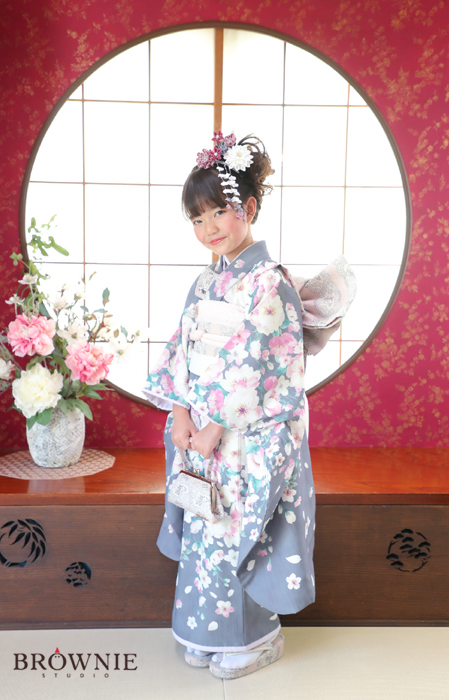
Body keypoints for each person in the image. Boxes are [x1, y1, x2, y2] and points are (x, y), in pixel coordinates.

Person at [143, 132, 355, 680]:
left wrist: (214, 424)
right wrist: (181, 414)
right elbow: (182, 349)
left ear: (250, 208)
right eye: (197, 218)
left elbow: (264, 363)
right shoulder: (204, 282)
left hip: (248, 434)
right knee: (204, 524)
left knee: (241, 528)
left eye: (219, 212)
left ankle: (255, 639)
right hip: (202, 428)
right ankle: (204, 631)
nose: (209, 228)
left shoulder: (270, 284)